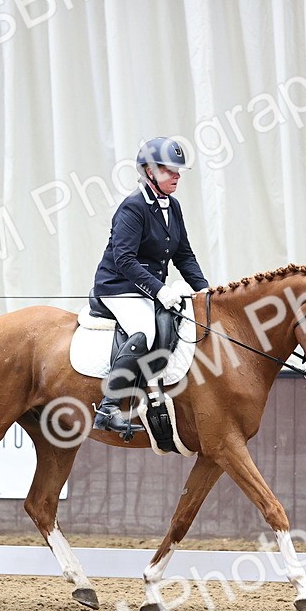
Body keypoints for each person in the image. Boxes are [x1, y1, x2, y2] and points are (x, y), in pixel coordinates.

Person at [90, 137, 209, 437]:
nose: (177, 176)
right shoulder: (133, 207)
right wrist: (159, 289)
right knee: (147, 330)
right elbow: (124, 259)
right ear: (149, 171)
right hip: (118, 286)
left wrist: (206, 291)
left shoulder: (173, 206)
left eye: (179, 171)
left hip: (148, 287)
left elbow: (184, 255)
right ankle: (108, 408)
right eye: (170, 171)